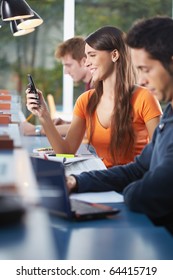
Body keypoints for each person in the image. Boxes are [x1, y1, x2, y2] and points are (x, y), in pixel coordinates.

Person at [66, 16, 173, 234]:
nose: (141, 80)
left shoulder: (148, 102)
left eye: (146, 69)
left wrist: (131, 190)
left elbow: (154, 190)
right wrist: (76, 181)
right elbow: (139, 168)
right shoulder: (170, 115)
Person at [26, 26, 162, 168]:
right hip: (102, 177)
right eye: (86, 56)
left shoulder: (145, 98)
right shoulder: (85, 100)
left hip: (134, 180)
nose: (87, 62)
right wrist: (44, 115)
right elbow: (66, 151)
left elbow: (160, 155)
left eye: (92, 55)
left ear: (114, 55)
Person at [20, 36, 92, 136]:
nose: (66, 72)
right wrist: (67, 124)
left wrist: (37, 130)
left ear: (84, 62)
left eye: (69, 65)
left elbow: (90, 130)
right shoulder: (90, 86)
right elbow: (88, 124)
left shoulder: (98, 88)